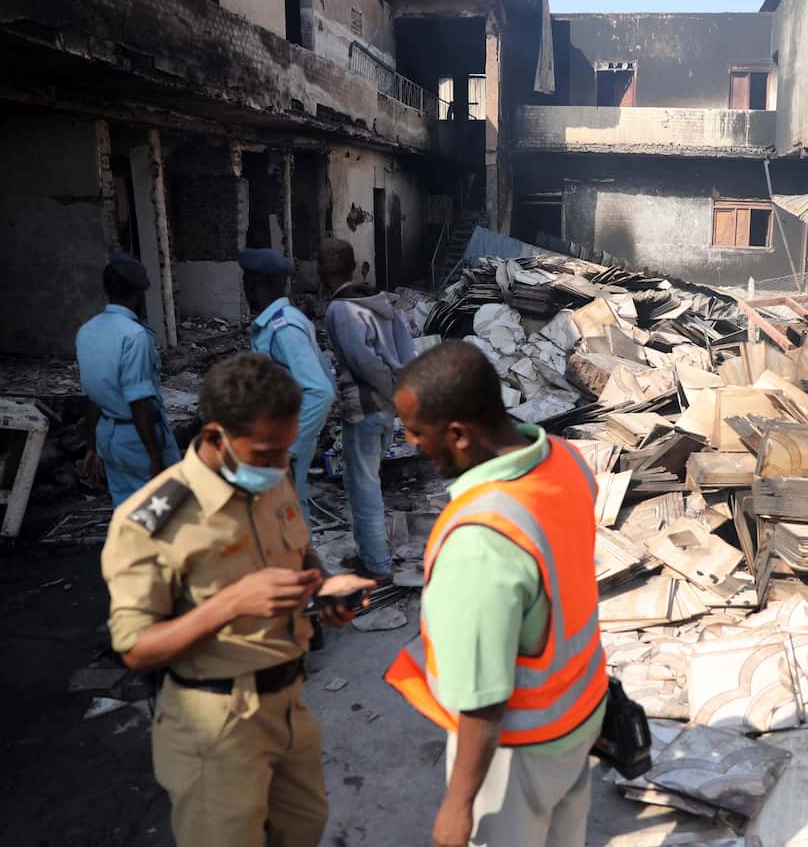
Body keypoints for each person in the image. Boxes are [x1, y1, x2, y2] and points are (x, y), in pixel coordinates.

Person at [101, 352, 377, 847]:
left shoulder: (272, 476)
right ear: (214, 437)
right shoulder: (153, 521)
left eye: (285, 451)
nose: (279, 467)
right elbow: (135, 648)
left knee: (303, 829)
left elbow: (303, 553)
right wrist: (230, 604)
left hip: (290, 705)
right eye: (266, 454)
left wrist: (325, 590)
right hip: (216, 728)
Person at [384, 341, 608, 847]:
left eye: (417, 432)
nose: (409, 441)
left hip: (519, 752)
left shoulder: (481, 540)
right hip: (580, 714)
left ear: (458, 435)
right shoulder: (566, 460)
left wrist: (459, 805)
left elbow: (484, 701)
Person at [318, 238, 417, 579]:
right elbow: (407, 354)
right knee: (367, 481)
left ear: (322, 270)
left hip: (365, 406)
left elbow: (365, 363)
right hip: (386, 407)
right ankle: (372, 554)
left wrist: (390, 392)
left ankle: (376, 563)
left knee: (363, 486)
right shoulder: (381, 302)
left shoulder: (340, 310)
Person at [76, 252, 181, 507]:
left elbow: (93, 397)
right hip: (137, 438)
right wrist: (155, 456)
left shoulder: (87, 330)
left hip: (108, 436)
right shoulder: (135, 336)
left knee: (126, 509)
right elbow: (139, 402)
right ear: (138, 294)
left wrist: (92, 446)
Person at [240, 248, 335, 524]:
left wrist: (289, 448)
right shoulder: (279, 322)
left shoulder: (284, 328)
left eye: (248, 280)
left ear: (259, 284)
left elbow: (321, 391)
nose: (245, 288)